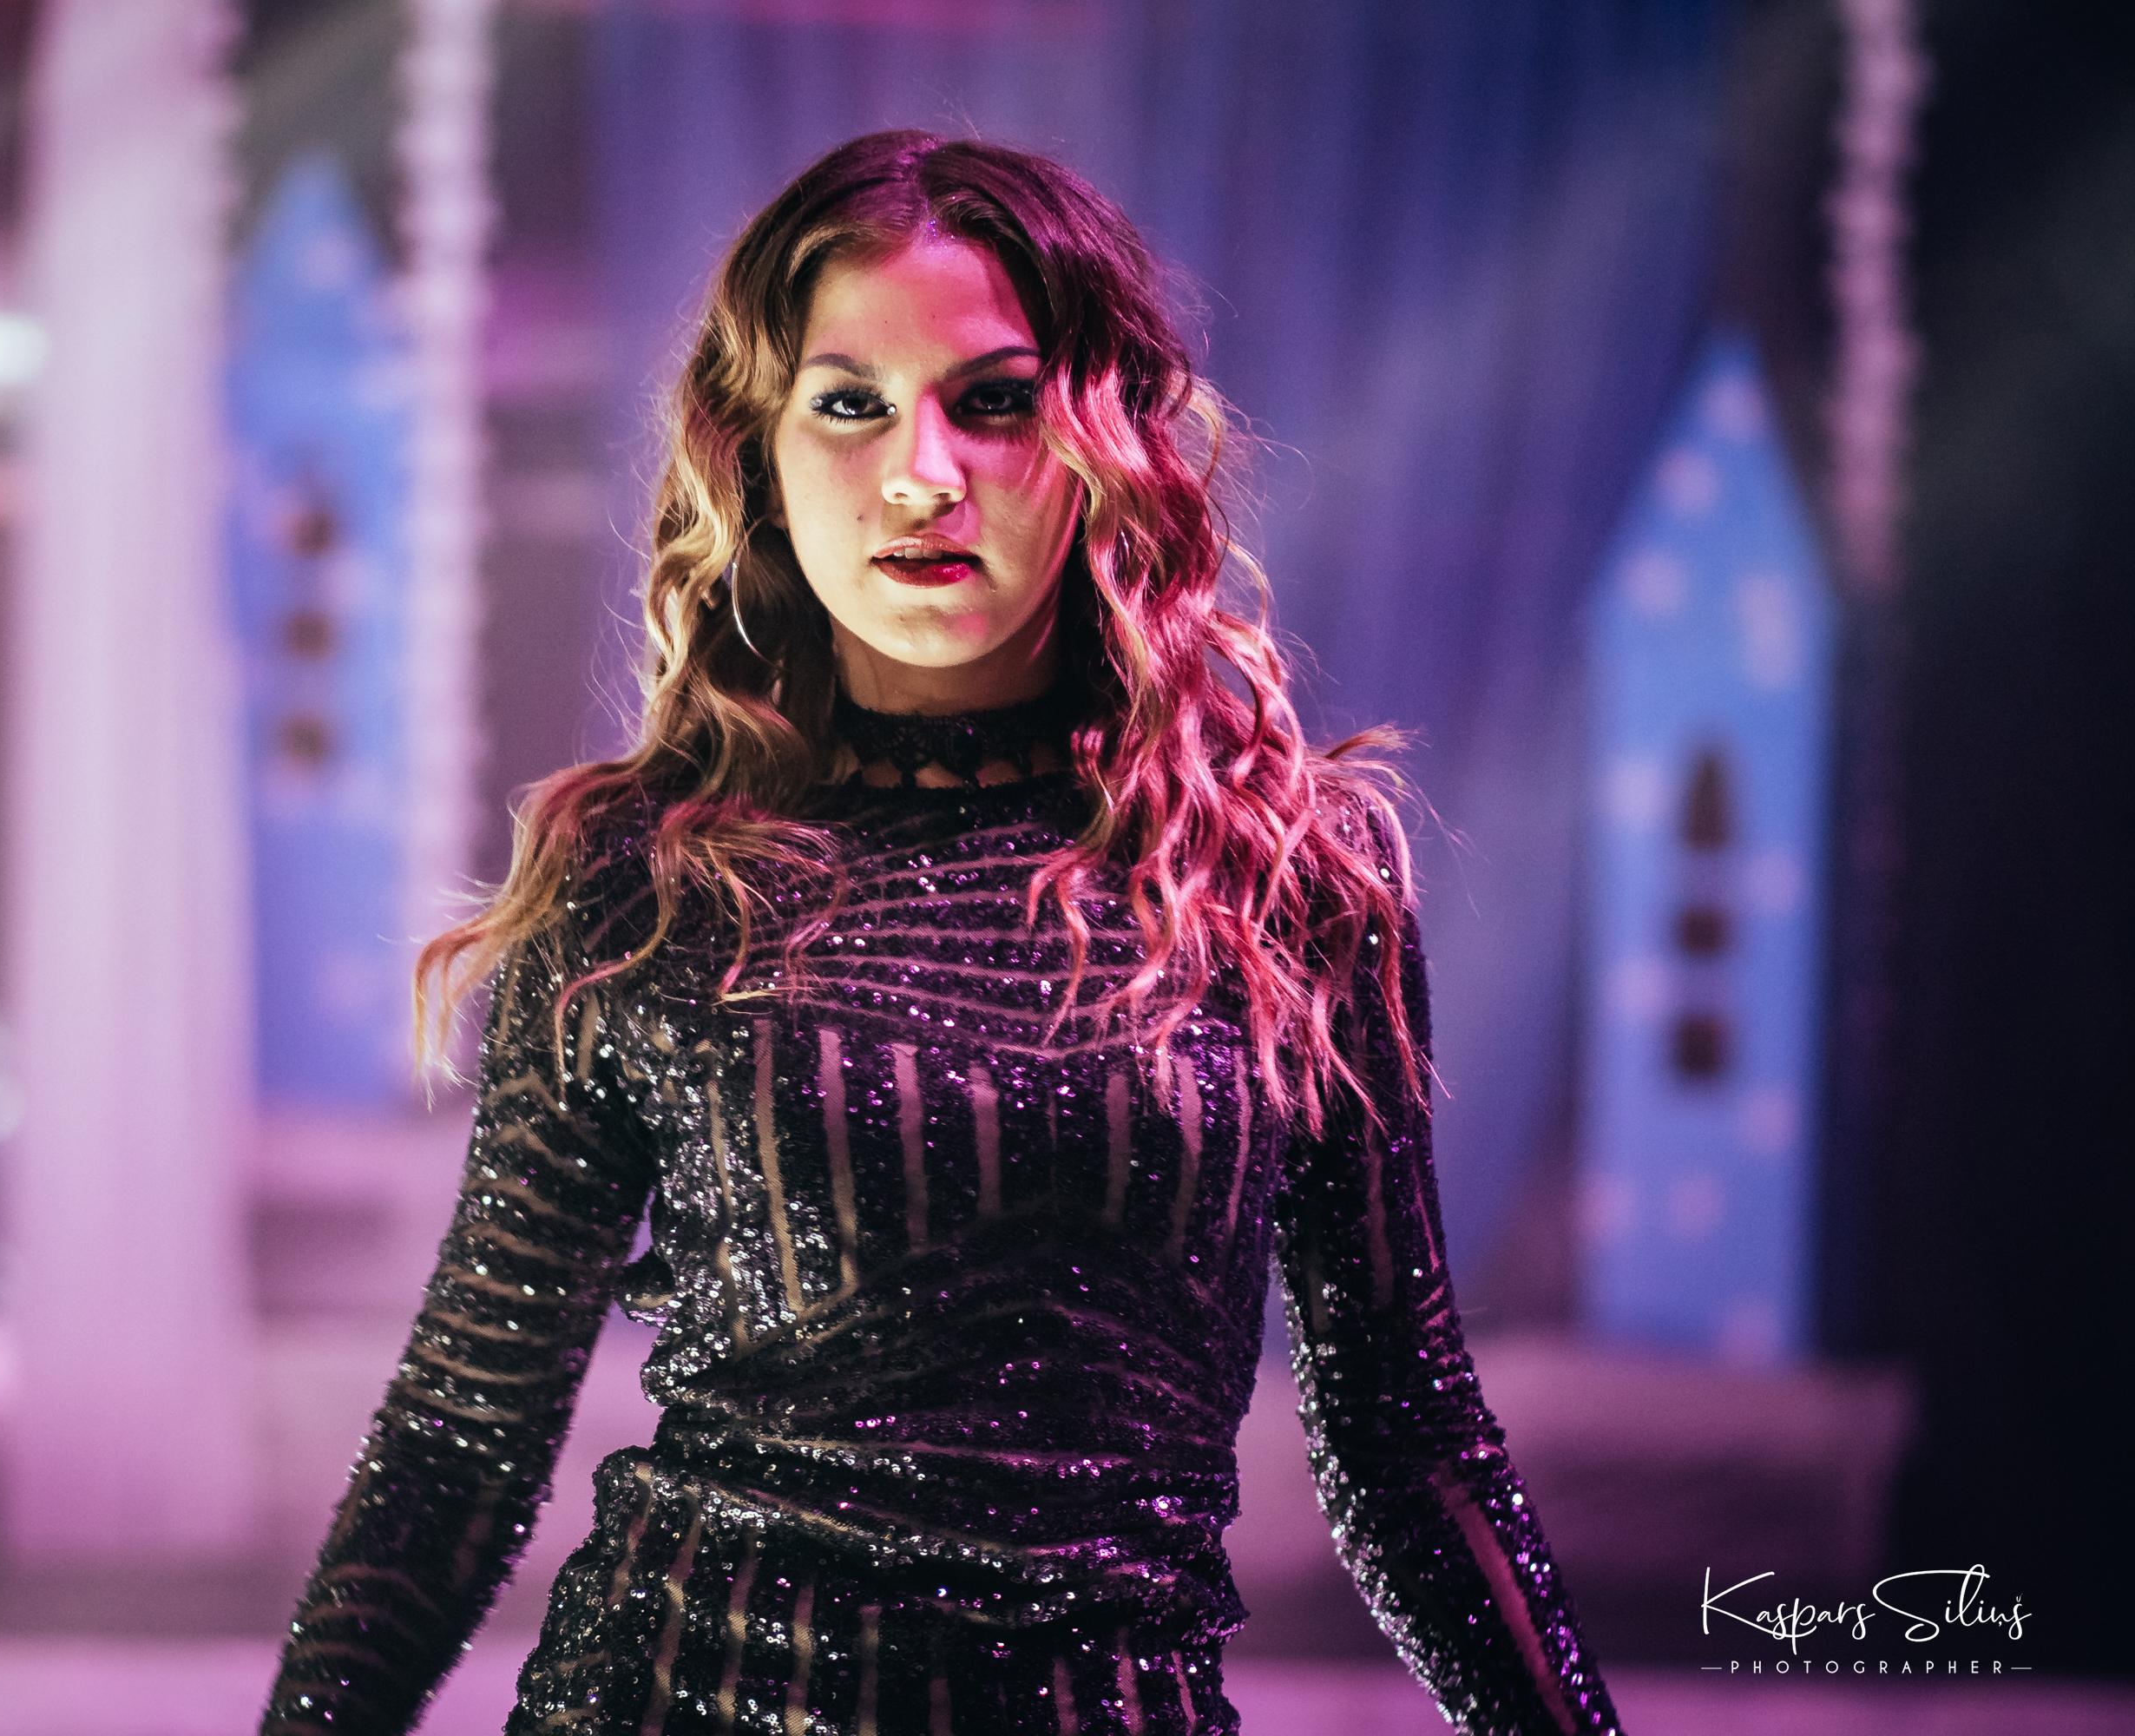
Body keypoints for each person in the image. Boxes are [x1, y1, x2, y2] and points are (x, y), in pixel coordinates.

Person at [258, 129, 1621, 1736]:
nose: (922, 473)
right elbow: (463, 1435)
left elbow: (1407, 1440)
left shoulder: (1285, 876)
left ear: (1105, 439)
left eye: (994, 401)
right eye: (849, 405)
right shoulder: (643, 883)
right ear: (757, 454)